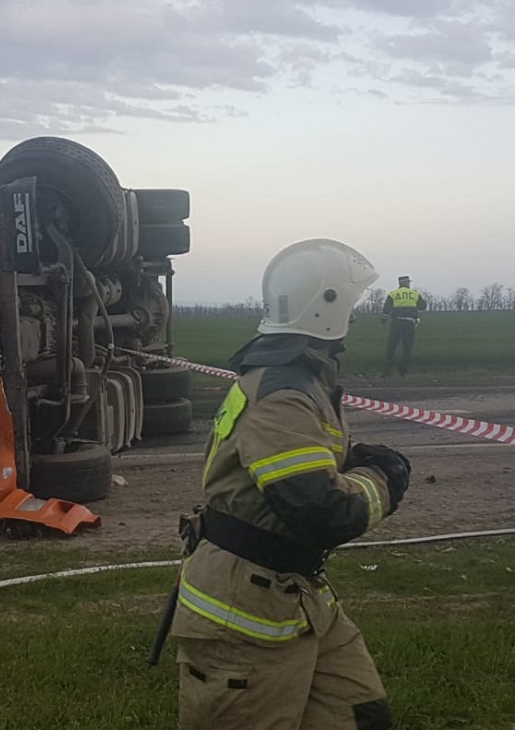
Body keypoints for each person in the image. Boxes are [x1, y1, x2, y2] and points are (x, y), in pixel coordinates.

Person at [171, 239, 409, 730]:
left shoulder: (299, 380)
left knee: (361, 716)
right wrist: (383, 478)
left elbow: (303, 464)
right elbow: (322, 511)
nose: (359, 318)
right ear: (327, 305)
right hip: (244, 610)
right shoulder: (282, 393)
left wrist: (349, 460)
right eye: (353, 304)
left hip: (298, 595)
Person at [381, 275, 427, 377]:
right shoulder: (414, 293)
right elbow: (422, 306)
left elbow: (386, 309)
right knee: (407, 347)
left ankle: (388, 371)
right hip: (409, 324)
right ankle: (403, 371)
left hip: (396, 323)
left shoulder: (393, 294)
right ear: (407, 283)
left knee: (391, 347)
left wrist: (383, 320)